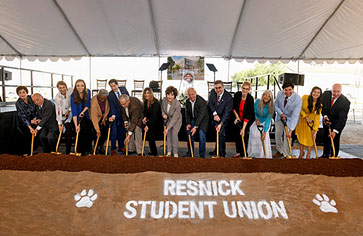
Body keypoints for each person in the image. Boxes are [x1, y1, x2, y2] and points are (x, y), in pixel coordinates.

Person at [320, 83, 350, 158]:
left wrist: (335, 131)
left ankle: (334, 155)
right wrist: (325, 116)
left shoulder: (345, 102)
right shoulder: (325, 94)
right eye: (334, 91)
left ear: (341, 91)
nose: (336, 94)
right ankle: (325, 155)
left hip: (338, 123)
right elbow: (322, 107)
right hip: (326, 121)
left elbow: (342, 118)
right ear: (331, 90)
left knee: (335, 139)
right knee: (326, 138)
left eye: (338, 92)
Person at [273, 81, 302, 158]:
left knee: (287, 136)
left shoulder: (298, 99)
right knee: (277, 134)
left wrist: (291, 130)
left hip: (290, 118)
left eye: (290, 90)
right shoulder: (280, 94)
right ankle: (280, 151)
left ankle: (287, 154)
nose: (288, 92)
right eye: (286, 90)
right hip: (280, 116)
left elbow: (295, 116)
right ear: (283, 90)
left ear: (293, 89)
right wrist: (281, 113)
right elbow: (275, 105)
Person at [295, 87, 322, 159]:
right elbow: (299, 107)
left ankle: (308, 154)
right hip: (303, 119)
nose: (316, 94)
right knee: (302, 137)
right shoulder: (304, 97)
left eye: (318, 92)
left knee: (310, 138)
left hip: (311, 121)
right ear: (311, 92)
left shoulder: (319, 104)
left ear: (320, 94)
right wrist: (306, 117)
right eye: (314, 91)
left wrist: (315, 130)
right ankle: (301, 153)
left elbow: (317, 118)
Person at [208, 80, 233, 157]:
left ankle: (222, 153)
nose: (218, 90)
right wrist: (215, 114)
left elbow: (227, 112)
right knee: (217, 134)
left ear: (223, 87)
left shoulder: (228, 97)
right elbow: (210, 104)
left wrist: (221, 123)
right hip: (215, 117)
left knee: (221, 134)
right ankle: (216, 150)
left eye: (219, 87)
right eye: (216, 88)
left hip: (224, 118)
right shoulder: (212, 92)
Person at [248, 90, 274, 158]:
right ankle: (254, 153)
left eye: (268, 96)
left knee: (263, 137)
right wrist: (256, 119)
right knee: (252, 130)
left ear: (270, 98)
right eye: (265, 95)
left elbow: (268, 120)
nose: (266, 97)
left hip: (265, 121)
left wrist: (265, 132)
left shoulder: (270, 107)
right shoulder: (257, 102)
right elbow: (255, 112)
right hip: (257, 120)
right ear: (262, 95)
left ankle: (263, 155)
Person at [232, 81, 255, 158]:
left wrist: (243, 128)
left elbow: (248, 115)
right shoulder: (237, 95)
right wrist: (237, 117)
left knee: (244, 135)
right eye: (244, 88)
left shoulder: (250, 99)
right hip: (237, 117)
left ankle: (244, 153)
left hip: (247, 120)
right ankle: (238, 152)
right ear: (241, 88)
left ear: (249, 90)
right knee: (237, 135)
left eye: (247, 89)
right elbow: (234, 107)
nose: (245, 90)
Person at [185, 87, 209, 158]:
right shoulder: (187, 101)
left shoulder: (202, 101)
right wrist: (188, 123)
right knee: (189, 133)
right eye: (189, 95)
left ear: (196, 93)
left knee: (202, 135)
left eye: (192, 94)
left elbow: (201, 115)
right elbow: (188, 113)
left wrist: (195, 126)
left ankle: (202, 155)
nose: (191, 96)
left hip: (203, 120)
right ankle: (190, 152)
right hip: (194, 118)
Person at [71, 79, 93, 156]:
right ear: (75, 87)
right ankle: (81, 151)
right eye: (78, 86)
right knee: (80, 131)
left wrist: (83, 112)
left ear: (84, 86)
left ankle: (89, 149)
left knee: (89, 130)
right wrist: (76, 125)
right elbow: (74, 112)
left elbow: (88, 105)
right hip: (77, 117)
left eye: (82, 85)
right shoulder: (73, 96)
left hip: (86, 114)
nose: (80, 87)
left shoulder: (88, 92)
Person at [15, 86, 39, 156]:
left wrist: (35, 118)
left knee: (34, 135)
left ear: (26, 92)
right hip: (24, 122)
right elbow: (23, 116)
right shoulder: (18, 103)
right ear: (18, 94)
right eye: (20, 93)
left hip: (33, 119)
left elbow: (36, 108)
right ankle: (25, 152)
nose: (22, 94)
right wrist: (30, 126)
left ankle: (33, 150)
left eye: (23, 92)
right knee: (26, 136)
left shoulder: (31, 98)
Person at [108, 79, 130, 155]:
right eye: (111, 87)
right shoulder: (110, 94)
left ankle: (121, 146)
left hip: (123, 113)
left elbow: (128, 99)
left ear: (117, 84)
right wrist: (113, 116)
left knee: (122, 130)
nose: (113, 88)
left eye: (114, 86)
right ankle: (113, 149)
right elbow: (112, 106)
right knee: (114, 131)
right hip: (115, 114)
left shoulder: (123, 89)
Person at [161, 86, 182, 157]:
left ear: (175, 96)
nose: (170, 97)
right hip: (169, 119)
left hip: (176, 121)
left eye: (172, 95)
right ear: (166, 94)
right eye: (168, 94)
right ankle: (169, 152)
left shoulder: (177, 104)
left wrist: (167, 128)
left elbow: (174, 119)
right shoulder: (164, 100)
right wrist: (163, 114)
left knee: (174, 135)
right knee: (168, 135)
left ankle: (175, 153)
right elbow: (162, 109)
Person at [54, 81, 73, 154]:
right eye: (60, 88)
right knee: (67, 132)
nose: (62, 89)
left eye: (63, 87)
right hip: (63, 116)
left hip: (72, 113)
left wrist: (69, 110)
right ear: (58, 88)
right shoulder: (57, 97)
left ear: (66, 86)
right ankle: (67, 152)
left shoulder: (71, 91)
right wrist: (59, 123)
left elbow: (75, 102)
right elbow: (58, 110)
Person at [142, 88, 162, 156]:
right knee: (149, 136)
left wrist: (148, 126)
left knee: (151, 135)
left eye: (148, 93)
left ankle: (154, 152)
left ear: (151, 93)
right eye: (145, 93)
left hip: (157, 122)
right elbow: (145, 113)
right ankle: (153, 151)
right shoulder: (145, 102)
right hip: (150, 120)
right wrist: (144, 118)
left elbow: (154, 116)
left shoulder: (156, 102)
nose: (146, 94)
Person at [90, 89, 110, 154]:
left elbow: (107, 109)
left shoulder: (107, 99)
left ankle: (101, 145)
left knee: (105, 131)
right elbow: (94, 117)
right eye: (101, 98)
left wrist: (104, 118)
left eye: (104, 99)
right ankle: (96, 147)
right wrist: (97, 129)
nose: (103, 100)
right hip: (94, 118)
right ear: (98, 95)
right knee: (97, 133)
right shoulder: (93, 102)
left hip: (103, 117)